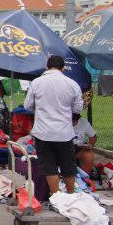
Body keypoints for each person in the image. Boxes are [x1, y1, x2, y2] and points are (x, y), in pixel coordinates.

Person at [24, 55, 84, 195]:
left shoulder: (37, 82)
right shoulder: (72, 83)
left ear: (47, 67)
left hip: (43, 133)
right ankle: (70, 196)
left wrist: (39, 111)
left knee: (49, 167)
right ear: (63, 68)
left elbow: (28, 106)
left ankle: (56, 198)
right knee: (68, 167)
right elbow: (78, 109)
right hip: (64, 133)